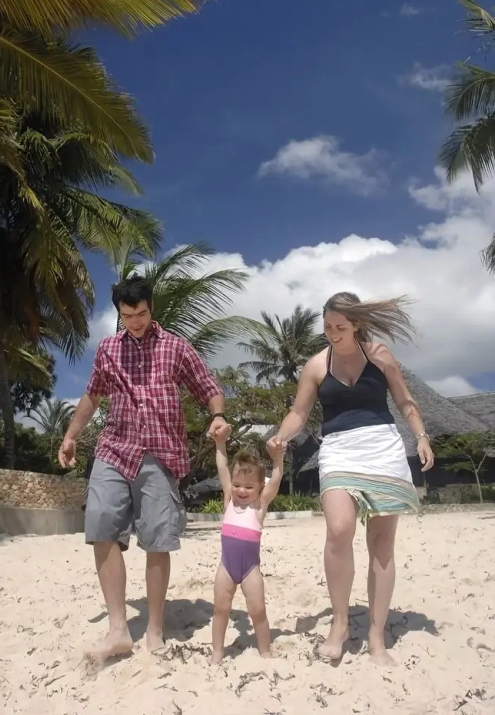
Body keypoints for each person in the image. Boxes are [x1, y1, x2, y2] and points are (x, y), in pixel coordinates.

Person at [58, 275, 229, 663]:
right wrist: (71, 435)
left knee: (156, 540)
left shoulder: (176, 347)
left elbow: (207, 386)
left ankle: (154, 628)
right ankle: (118, 630)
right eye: (127, 315)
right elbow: (92, 396)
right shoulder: (108, 349)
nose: (135, 321)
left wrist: (217, 415)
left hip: (161, 453)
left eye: (141, 314)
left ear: (152, 309)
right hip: (115, 448)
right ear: (119, 313)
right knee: (101, 525)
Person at [267, 292, 434, 667]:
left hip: (382, 449)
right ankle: (340, 623)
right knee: (339, 529)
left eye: (339, 327)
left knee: (382, 544)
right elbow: (299, 412)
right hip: (339, 449)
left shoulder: (379, 356)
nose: (332, 333)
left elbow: (405, 401)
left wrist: (421, 436)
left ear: (356, 324)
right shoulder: (316, 365)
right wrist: (281, 435)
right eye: (327, 326)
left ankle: (376, 636)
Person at [210, 429, 284, 664]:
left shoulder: (259, 506)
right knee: (220, 610)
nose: (241, 490)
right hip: (226, 568)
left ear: (260, 488)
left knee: (258, 612)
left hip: (251, 570)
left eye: (249, 487)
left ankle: (265, 651)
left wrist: (278, 459)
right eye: (237, 485)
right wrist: (220, 444)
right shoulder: (229, 501)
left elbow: (276, 480)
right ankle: (217, 652)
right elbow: (222, 467)